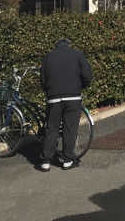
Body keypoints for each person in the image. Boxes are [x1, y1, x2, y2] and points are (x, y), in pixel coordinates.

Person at [39, 38, 92, 171]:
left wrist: (49, 91)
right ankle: (67, 160)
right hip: (73, 96)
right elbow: (87, 74)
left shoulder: (48, 57)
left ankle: (46, 161)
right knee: (70, 128)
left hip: (54, 98)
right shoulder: (77, 54)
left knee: (52, 129)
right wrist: (81, 86)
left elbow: (43, 79)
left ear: (55, 46)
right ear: (69, 45)